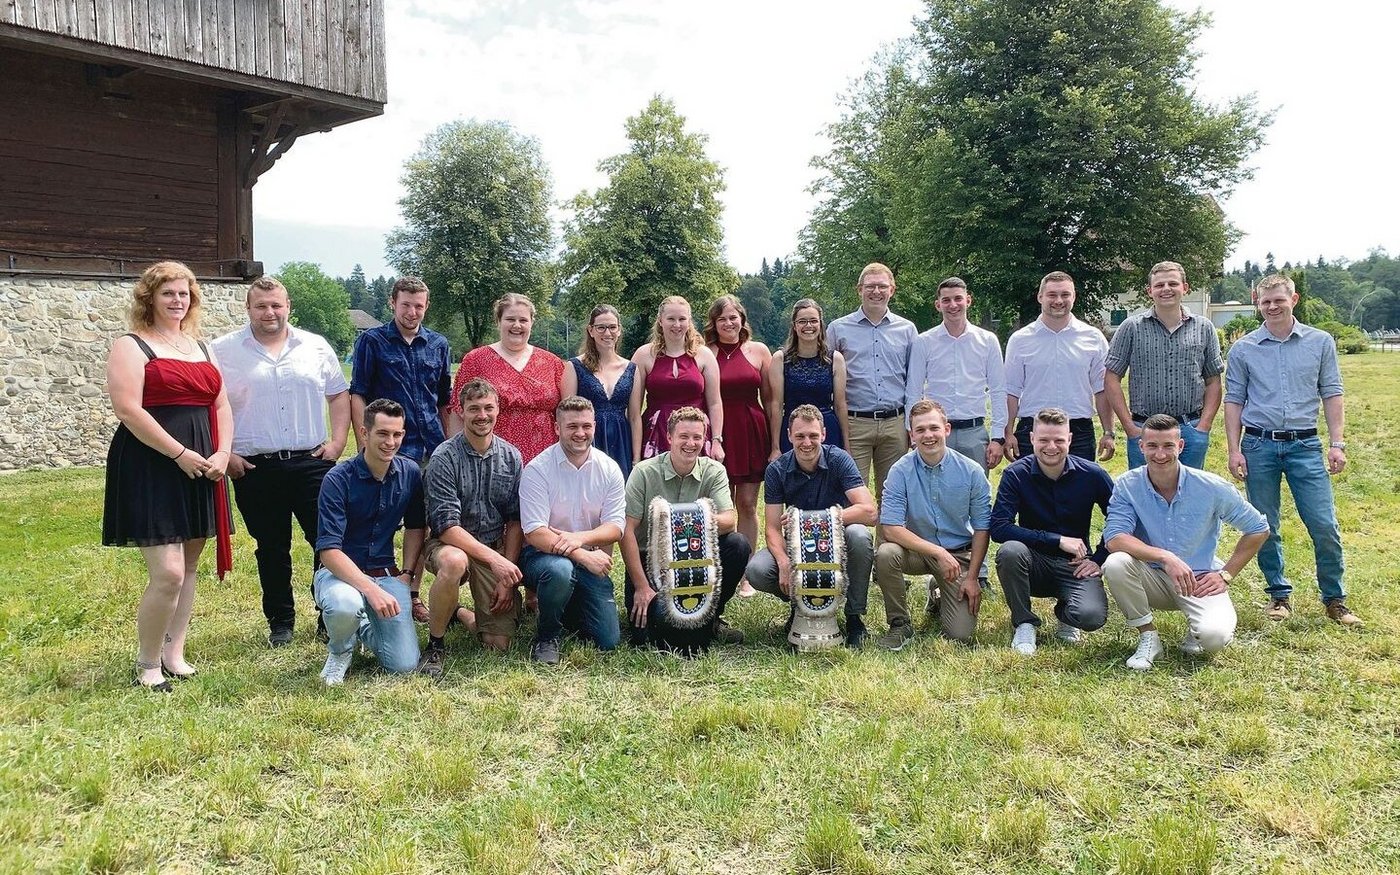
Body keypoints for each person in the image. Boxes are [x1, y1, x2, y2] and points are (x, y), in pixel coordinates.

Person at [104, 261, 234, 691]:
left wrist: (222, 452)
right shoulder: (131, 345)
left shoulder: (203, 347)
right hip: (151, 464)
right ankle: (147, 663)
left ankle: (174, 652)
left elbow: (220, 406)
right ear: (150, 299)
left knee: (191, 564)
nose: (178, 302)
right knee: (169, 573)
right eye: (168, 294)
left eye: (184, 294)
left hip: (203, 464)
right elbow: (128, 410)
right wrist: (179, 453)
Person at [213, 276, 350, 647]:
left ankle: (330, 613)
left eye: (276, 305)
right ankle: (281, 621)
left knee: (328, 542)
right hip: (254, 467)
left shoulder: (316, 346)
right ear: (248, 308)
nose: (269, 313)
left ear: (288, 306)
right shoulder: (222, 351)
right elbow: (210, 405)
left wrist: (338, 442)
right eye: (261, 306)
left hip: (312, 463)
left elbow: (339, 396)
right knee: (271, 547)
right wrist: (227, 455)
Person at [1224, 274, 1361, 627]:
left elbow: (1332, 392)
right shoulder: (1244, 349)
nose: (1272, 307)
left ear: (1293, 299)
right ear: (1258, 303)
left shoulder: (1320, 342)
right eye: (1265, 302)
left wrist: (1337, 443)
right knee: (1264, 523)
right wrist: (1233, 450)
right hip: (1258, 445)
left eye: (1278, 300)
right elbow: (1234, 401)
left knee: (1323, 523)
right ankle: (1279, 595)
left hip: (1304, 445)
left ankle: (1335, 598)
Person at [1102, 414, 1270, 670]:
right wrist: (1165, 557)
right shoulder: (1127, 485)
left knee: (1214, 639)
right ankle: (1148, 636)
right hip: (1152, 577)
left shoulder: (1211, 486)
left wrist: (1225, 575)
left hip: (1198, 580)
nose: (1160, 454)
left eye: (1168, 446)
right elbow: (1114, 538)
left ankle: (1198, 628)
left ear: (1180, 446)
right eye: (1153, 446)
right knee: (1116, 563)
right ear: (1141, 446)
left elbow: (1258, 528)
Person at [348, 275, 453, 621]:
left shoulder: (438, 344)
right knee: (376, 521)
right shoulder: (372, 342)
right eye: (406, 304)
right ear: (392, 303)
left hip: (430, 448)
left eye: (419, 306)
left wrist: (448, 444)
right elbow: (358, 391)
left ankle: (411, 593)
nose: (412, 312)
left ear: (427, 306)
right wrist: (364, 438)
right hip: (390, 447)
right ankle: (366, 591)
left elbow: (443, 401)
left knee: (418, 523)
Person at [415, 378, 525, 679]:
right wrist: (496, 561)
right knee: (455, 562)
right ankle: (435, 644)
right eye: (473, 408)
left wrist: (508, 575)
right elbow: (447, 526)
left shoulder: (512, 457)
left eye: (488, 407)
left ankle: (457, 613)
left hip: (494, 546)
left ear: (498, 410)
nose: (482, 415)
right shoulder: (443, 457)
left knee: (497, 643)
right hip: (449, 544)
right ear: (460, 411)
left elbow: (515, 521)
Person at [619, 407, 751, 653]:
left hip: (698, 557)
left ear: (705, 439)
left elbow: (729, 520)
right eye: (684, 436)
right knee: (651, 635)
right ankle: (660, 606)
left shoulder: (714, 471)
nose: (691, 443)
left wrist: (680, 520)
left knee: (738, 544)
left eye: (697, 437)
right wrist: (641, 587)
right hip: (651, 562)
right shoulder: (643, 472)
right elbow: (626, 530)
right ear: (669, 437)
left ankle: (711, 615)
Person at [312, 399, 425, 686]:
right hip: (339, 575)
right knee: (343, 604)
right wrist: (368, 590)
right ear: (364, 433)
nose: (391, 442)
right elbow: (328, 550)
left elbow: (415, 527)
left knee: (403, 665)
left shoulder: (410, 473)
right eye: (382, 434)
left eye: (397, 434)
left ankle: (361, 626)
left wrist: (407, 576)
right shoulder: (337, 479)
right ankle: (340, 650)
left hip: (387, 575)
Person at [743, 405, 877, 647]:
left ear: (824, 435)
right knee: (757, 570)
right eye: (800, 436)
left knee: (859, 535)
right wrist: (784, 563)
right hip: (798, 547)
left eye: (813, 436)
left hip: (838, 543)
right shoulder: (776, 470)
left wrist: (820, 518)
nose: (807, 442)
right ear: (789, 436)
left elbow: (869, 511)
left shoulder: (839, 459)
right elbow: (772, 527)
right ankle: (800, 605)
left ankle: (854, 616)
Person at [990, 408, 1113, 656]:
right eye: (1044, 440)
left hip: (1076, 565)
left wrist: (1099, 559)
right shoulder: (1016, 474)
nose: (1051, 447)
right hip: (1031, 563)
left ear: (1069, 439)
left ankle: (1066, 613)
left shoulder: (1093, 474)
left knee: (1091, 617)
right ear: (1033, 439)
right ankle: (1024, 623)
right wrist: (1056, 540)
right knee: (1010, 551)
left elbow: (1121, 519)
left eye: (1058, 440)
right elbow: (999, 527)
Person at [873, 401, 991, 650]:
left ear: (946, 429)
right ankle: (899, 624)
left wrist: (973, 577)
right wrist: (937, 551)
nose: (928, 435)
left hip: (958, 555)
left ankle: (938, 593)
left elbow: (982, 528)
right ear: (912, 435)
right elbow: (891, 528)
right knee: (886, 553)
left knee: (959, 634)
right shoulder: (900, 471)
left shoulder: (971, 472)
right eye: (920, 430)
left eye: (934, 428)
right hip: (917, 552)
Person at [517, 396, 626, 664]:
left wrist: (578, 539)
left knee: (608, 641)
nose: (580, 433)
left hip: (587, 557)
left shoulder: (609, 469)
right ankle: (547, 636)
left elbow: (615, 527)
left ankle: (565, 607)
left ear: (595, 427)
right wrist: (583, 554)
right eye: (572, 427)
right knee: (560, 571)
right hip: (542, 558)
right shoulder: (537, 470)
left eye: (586, 426)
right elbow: (535, 532)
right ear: (557, 428)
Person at [1103, 261, 1224, 469]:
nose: (1166, 289)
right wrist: (1130, 428)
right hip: (1144, 429)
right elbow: (1112, 378)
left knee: (1188, 493)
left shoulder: (1204, 328)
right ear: (1149, 291)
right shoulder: (1131, 328)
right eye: (1159, 285)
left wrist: (1204, 427)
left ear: (1185, 288)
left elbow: (1213, 381)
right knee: (1145, 493)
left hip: (1189, 429)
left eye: (1173, 283)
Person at [1002, 271, 1115, 462]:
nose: (1059, 300)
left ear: (1074, 297)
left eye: (1065, 295)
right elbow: (1011, 390)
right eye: (1052, 295)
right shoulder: (1020, 340)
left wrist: (1109, 432)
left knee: (1080, 491)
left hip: (1078, 432)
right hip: (1032, 431)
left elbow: (1102, 389)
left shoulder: (1093, 338)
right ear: (1040, 297)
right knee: (1032, 491)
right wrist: (1008, 433)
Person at [827, 263, 917, 497]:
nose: (876, 291)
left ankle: (887, 536)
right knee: (852, 493)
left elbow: (914, 380)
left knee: (893, 494)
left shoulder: (907, 329)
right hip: (855, 422)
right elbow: (827, 377)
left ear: (892, 290)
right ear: (859, 289)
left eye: (882, 286)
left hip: (895, 423)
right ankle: (857, 536)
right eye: (870, 286)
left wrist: (911, 425)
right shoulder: (838, 329)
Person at [904, 277, 1007, 472]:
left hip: (974, 433)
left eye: (958, 299)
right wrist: (913, 434)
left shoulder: (987, 341)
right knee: (933, 492)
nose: (953, 305)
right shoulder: (924, 342)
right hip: (935, 432)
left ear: (968, 300)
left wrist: (997, 437)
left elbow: (998, 391)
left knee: (976, 494)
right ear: (938, 305)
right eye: (946, 300)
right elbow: (913, 391)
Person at [704, 294, 772, 593]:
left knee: (746, 503)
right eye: (722, 319)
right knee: (720, 505)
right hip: (717, 431)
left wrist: (774, 443)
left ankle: (746, 573)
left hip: (751, 428)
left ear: (742, 319)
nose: (729, 323)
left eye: (734, 317)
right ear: (714, 324)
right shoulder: (705, 352)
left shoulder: (758, 351)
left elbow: (770, 399)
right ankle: (719, 566)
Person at [450, 293, 563, 465]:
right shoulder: (476, 360)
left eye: (523, 320)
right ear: (498, 321)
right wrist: (458, 459)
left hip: (546, 463)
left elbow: (566, 414)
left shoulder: (552, 362)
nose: (517, 325)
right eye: (510, 319)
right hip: (491, 462)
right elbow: (458, 412)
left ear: (532, 322)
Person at [630, 296, 725, 465]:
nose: (677, 325)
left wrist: (717, 440)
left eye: (682, 319)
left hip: (695, 433)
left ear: (689, 321)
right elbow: (634, 412)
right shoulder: (643, 355)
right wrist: (636, 455)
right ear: (660, 321)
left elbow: (715, 403)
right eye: (671, 319)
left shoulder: (704, 355)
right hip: (655, 432)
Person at [560, 304, 636, 479]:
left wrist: (636, 457)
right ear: (591, 330)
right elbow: (566, 413)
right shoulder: (574, 366)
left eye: (612, 327)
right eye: (601, 327)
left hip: (621, 440)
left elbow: (634, 417)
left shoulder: (631, 368)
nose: (607, 333)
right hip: (586, 437)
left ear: (619, 330)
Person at [768, 298, 848, 457]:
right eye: (802, 321)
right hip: (793, 430)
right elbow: (776, 405)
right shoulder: (780, 359)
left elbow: (840, 405)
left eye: (813, 321)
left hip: (827, 430)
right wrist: (775, 447)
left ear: (820, 324)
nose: (808, 326)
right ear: (794, 326)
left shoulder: (835, 359)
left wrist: (846, 446)